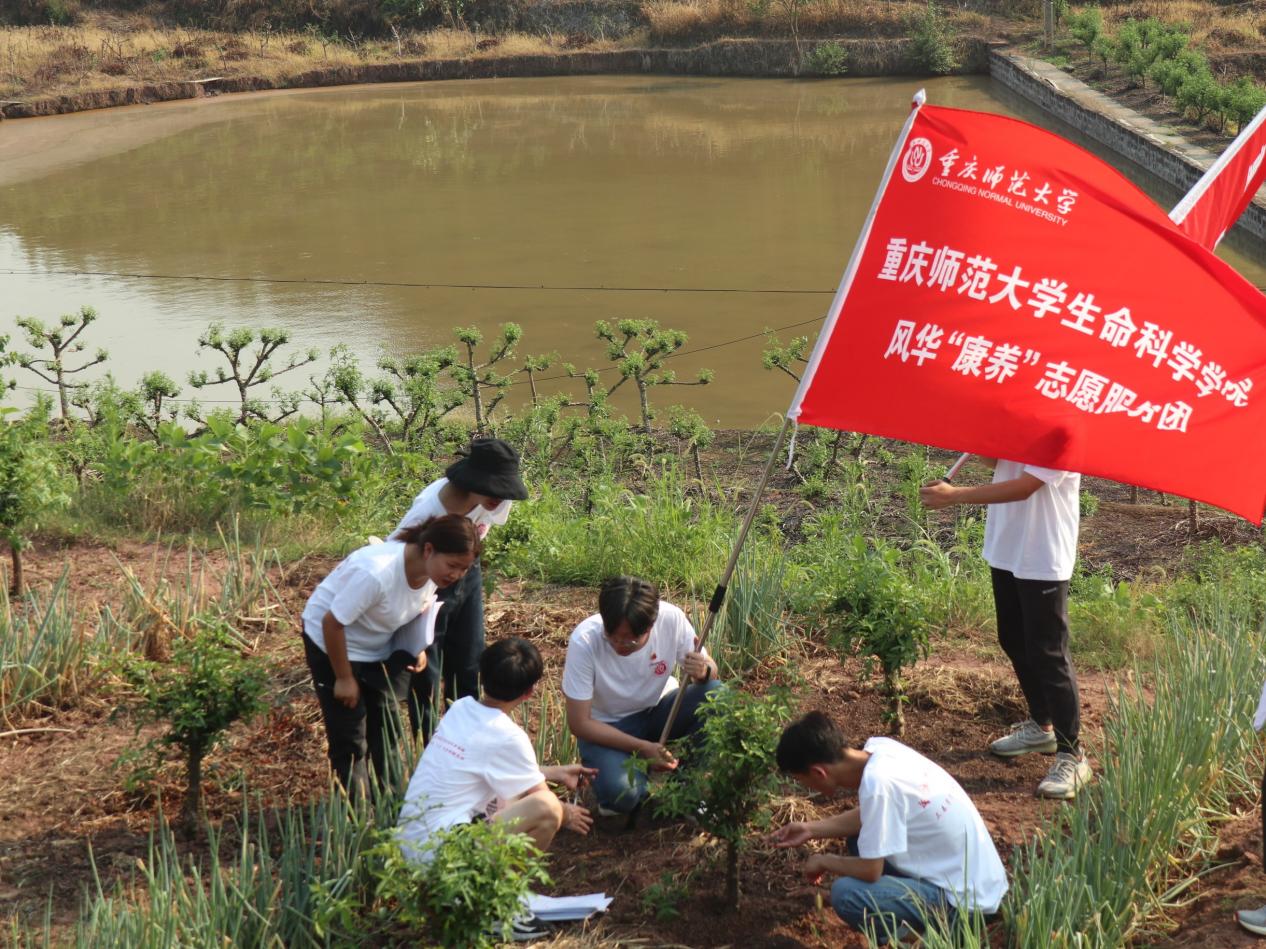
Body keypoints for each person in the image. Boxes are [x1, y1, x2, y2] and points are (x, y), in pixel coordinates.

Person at [919, 456, 1091, 800]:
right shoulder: (1024, 422)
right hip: (1009, 545)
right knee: (1013, 639)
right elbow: (999, 463)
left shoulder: (1063, 429)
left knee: (1049, 653)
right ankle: (1042, 726)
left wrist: (954, 496)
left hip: (1043, 553)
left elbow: (1026, 486)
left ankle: (1072, 753)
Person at [770, 712, 1008, 944]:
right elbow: (873, 817)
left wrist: (823, 860)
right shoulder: (882, 750)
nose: (803, 786)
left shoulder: (878, 785)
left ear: (818, 772)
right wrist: (811, 829)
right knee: (858, 840)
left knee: (847, 894)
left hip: (965, 906)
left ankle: (919, 938)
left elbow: (871, 870)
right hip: (982, 881)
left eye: (801, 780)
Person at [301, 514, 481, 797]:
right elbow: (331, 623)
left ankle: (394, 807)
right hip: (333, 645)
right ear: (429, 549)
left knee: (387, 729)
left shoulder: (433, 574)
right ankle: (355, 819)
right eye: (453, 566)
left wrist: (418, 648)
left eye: (464, 569)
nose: (456, 575)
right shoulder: (376, 572)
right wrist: (344, 678)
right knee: (351, 738)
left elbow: (416, 607)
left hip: (379, 646)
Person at [397, 636, 594, 865]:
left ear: (482, 675)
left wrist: (555, 773)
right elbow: (541, 797)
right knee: (548, 807)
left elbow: (485, 766)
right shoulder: (509, 736)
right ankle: (500, 893)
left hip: (409, 846)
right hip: (440, 856)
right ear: (529, 692)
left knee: (511, 794)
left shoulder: (460, 709)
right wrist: (568, 814)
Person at [390, 437, 529, 740]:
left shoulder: (495, 499)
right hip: (426, 582)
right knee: (427, 667)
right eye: (493, 488)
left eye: (504, 489)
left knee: (470, 659)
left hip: (466, 572)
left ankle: (462, 737)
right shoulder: (428, 513)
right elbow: (396, 561)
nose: (500, 497)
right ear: (472, 480)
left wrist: (462, 570)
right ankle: (427, 743)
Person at [562, 575, 721, 816]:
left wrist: (704, 669)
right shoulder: (585, 641)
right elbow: (579, 723)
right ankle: (623, 782)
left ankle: (688, 789)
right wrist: (643, 748)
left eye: (630, 641)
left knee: (716, 694)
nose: (619, 645)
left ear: (650, 626)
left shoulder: (670, 620)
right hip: (605, 728)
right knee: (623, 795)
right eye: (612, 636)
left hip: (654, 712)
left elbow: (711, 672)